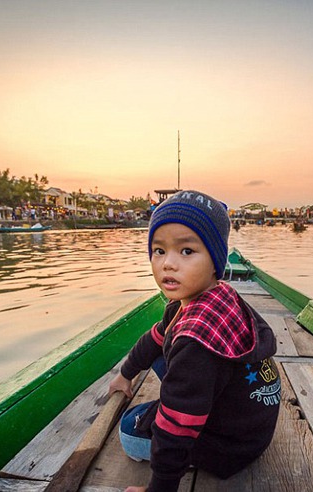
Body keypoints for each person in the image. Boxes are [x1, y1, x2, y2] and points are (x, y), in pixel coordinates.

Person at [108, 190, 281, 492]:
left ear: (215, 260)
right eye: (159, 250)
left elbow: (175, 431)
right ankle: (188, 395)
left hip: (231, 448)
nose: (168, 264)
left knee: (128, 429)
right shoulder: (210, 296)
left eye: (186, 251)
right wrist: (126, 374)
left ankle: (188, 411)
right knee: (163, 353)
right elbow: (154, 338)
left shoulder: (195, 343)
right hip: (253, 425)